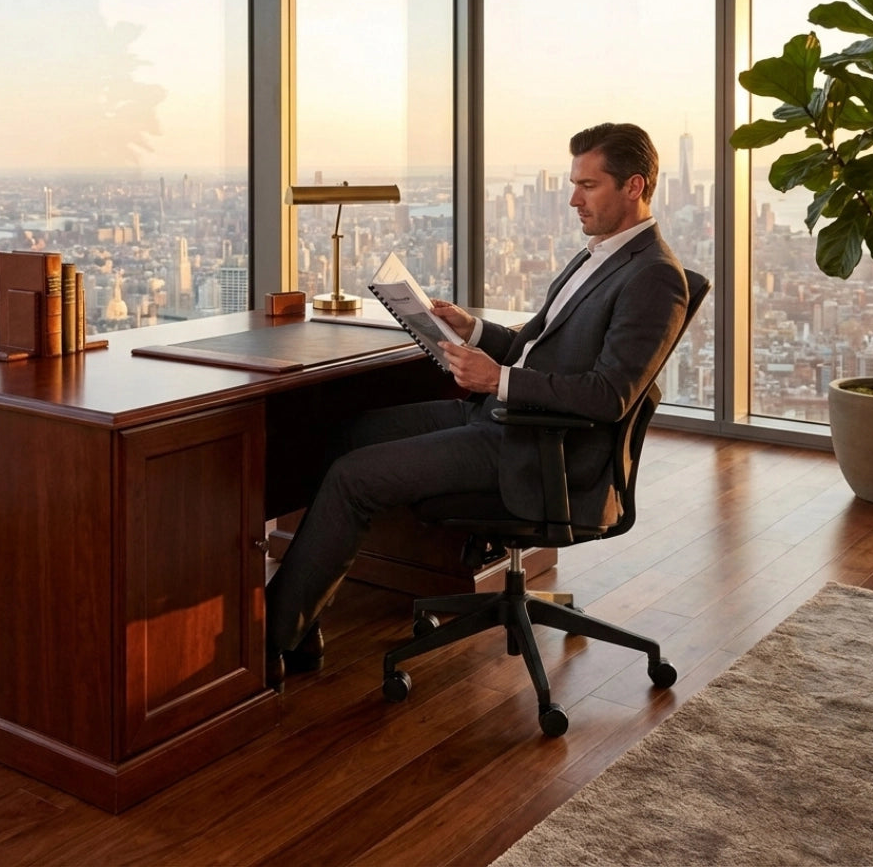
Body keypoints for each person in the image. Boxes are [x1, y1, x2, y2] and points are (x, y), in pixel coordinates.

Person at [265, 121, 689, 689]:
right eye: (573, 183)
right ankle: (303, 620)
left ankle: (268, 639)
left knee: (352, 478)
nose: (572, 198)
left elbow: (609, 396)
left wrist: (499, 381)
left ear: (634, 186)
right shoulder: (598, 257)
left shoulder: (654, 277)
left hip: (541, 451)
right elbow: (535, 349)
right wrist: (476, 329)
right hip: (501, 420)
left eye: (588, 185)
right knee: (345, 434)